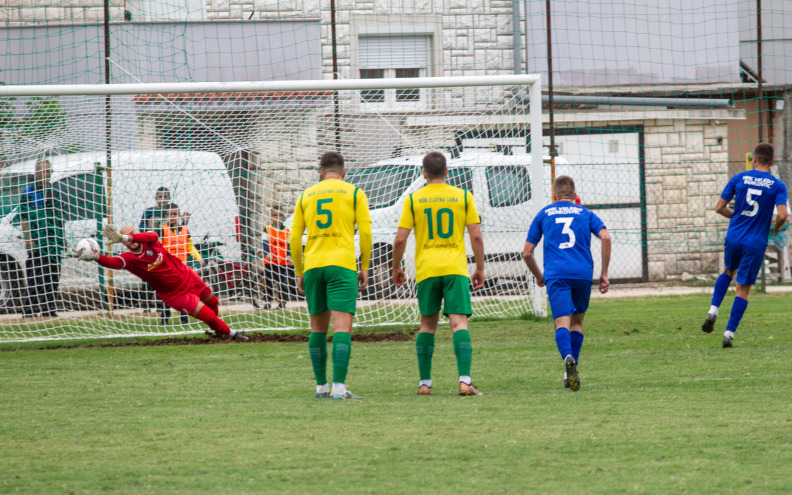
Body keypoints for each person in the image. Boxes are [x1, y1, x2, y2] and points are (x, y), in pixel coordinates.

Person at [392, 151, 486, 397]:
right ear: (447, 172)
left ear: (424, 174)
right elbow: (476, 235)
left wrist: (396, 266)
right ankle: (464, 381)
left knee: (427, 326)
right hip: (455, 269)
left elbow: (400, 238)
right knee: (459, 323)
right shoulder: (463, 196)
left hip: (427, 271)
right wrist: (480, 267)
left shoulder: (413, 200)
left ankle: (425, 384)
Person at [289, 151, 372, 400]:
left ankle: (320, 387)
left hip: (314, 265)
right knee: (342, 327)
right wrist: (365, 266)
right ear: (343, 173)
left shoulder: (306, 195)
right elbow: (366, 233)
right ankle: (339, 388)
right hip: (342, 265)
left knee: (317, 329)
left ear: (320, 173)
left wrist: (299, 271)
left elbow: (294, 238)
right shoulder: (355, 192)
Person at [79, 224, 248, 342]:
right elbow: (110, 263)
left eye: (132, 234)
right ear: (123, 244)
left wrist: (124, 235)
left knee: (213, 302)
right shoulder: (128, 259)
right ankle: (233, 334)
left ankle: (220, 331)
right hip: (175, 294)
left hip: (188, 276)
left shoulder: (150, 240)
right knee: (207, 315)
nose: (131, 239)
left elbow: (151, 235)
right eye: (126, 239)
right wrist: (95, 257)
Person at [522, 175, 611, 391]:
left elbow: (526, 253)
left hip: (557, 274)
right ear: (574, 195)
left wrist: (539, 276)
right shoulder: (585, 213)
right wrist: (604, 273)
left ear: (554, 194)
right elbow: (606, 237)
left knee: (562, 323)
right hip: (582, 274)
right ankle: (570, 369)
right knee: (577, 323)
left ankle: (567, 356)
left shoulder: (544, 214)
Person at [701, 143, 787, 348]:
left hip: (734, 236)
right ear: (772, 162)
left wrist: (736, 216)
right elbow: (783, 214)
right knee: (743, 289)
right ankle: (728, 334)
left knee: (728, 272)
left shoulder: (738, 178)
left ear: (754, 159)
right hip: (755, 241)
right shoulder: (777, 185)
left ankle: (713, 310)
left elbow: (719, 208)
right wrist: (775, 228)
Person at [20, 159, 65, 318]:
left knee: (52, 276)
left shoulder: (55, 192)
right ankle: (30, 310)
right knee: (35, 276)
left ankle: (49, 309)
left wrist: (62, 239)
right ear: (36, 173)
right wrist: (28, 239)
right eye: (43, 171)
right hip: (38, 242)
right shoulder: (29, 193)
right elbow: (24, 218)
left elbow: (60, 218)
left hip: (53, 243)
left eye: (48, 171)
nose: (46, 174)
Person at [160, 202, 205, 325]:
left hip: (182, 269)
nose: (172, 216)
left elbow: (190, 246)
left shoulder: (185, 230)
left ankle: (184, 320)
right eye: (170, 214)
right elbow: (157, 247)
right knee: (166, 295)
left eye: (175, 214)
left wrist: (199, 258)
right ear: (166, 216)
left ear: (179, 215)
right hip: (167, 269)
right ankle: (164, 320)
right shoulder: (162, 230)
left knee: (183, 295)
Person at [262, 207, 293, 310]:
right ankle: (267, 303)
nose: (278, 217)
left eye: (280, 215)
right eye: (275, 215)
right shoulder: (267, 229)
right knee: (269, 283)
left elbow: (289, 244)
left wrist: (289, 255)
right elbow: (264, 243)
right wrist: (268, 253)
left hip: (283, 261)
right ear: (271, 217)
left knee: (283, 283)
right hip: (271, 261)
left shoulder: (288, 230)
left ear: (283, 217)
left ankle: (282, 303)